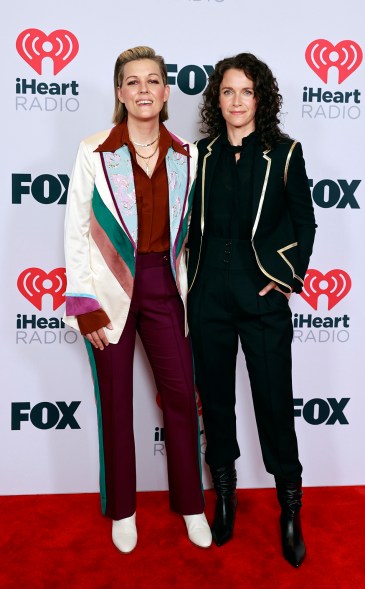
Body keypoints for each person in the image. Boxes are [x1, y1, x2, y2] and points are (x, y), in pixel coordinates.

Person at [63, 46, 212, 553]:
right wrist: (84, 305)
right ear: (120, 92)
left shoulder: (189, 155)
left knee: (180, 399)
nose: (144, 89)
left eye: (153, 81)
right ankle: (122, 511)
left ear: (167, 92)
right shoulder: (94, 150)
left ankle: (192, 505)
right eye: (133, 81)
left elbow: (195, 236)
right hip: (109, 290)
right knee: (116, 403)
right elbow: (76, 231)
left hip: (165, 288)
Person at [187, 52, 317, 567]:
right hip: (207, 294)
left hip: (261, 291)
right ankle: (224, 496)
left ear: (260, 98)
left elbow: (304, 223)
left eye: (246, 91)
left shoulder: (284, 153)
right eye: (227, 91)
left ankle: (290, 509)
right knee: (215, 403)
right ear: (215, 99)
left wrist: (285, 279)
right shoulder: (198, 154)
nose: (236, 101)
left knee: (272, 400)